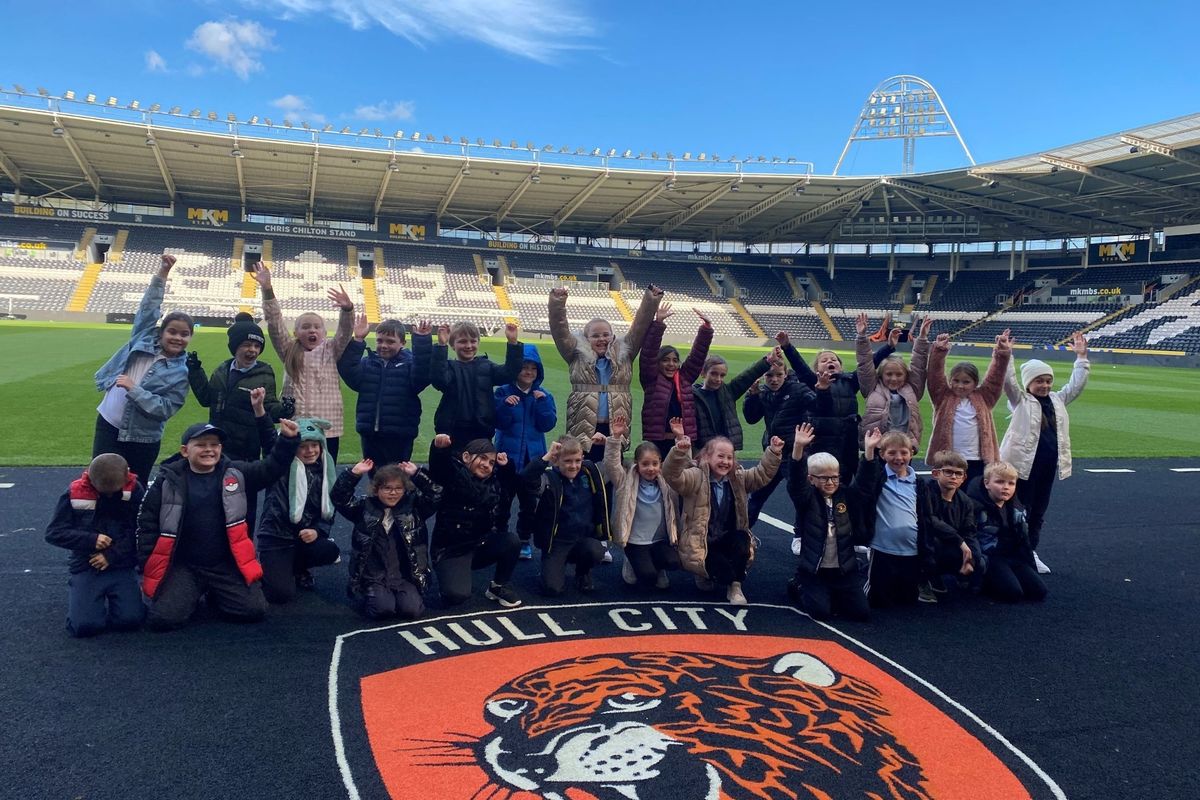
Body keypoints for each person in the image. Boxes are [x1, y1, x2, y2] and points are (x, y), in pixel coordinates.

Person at [137, 417, 300, 631]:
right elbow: (147, 524)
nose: (209, 449)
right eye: (201, 445)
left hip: (224, 564)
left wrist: (287, 440)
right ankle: (191, 593)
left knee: (254, 610)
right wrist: (148, 564)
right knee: (163, 619)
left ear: (221, 449)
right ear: (185, 451)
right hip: (184, 566)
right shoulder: (167, 481)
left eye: (214, 445)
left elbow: (270, 469)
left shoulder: (235, 473)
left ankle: (215, 593)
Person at [91, 254, 191, 484]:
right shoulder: (142, 339)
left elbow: (165, 408)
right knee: (101, 483)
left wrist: (134, 390)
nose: (177, 338)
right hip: (108, 424)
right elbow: (148, 308)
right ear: (161, 332)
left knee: (134, 489)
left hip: (143, 438)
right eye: (172, 331)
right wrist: (163, 273)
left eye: (184, 334)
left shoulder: (182, 372)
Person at [998, 332, 1090, 574]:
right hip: (1021, 469)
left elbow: (1075, 387)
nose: (1045, 386)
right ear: (1028, 383)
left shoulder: (1057, 400)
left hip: (1047, 468)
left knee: (1038, 512)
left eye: (1048, 381)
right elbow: (1008, 382)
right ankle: (1010, 551)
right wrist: (1006, 355)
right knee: (1017, 511)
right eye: (1039, 381)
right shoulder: (1020, 401)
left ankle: (1030, 551)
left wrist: (1081, 358)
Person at [663, 421, 784, 605]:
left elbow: (761, 475)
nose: (725, 462)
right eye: (720, 456)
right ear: (707, 456)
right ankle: (706, 573)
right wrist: (679, 451)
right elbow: (672, 475)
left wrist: (773, 453)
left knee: (742, 539)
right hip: (702, 543)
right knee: (722, 573)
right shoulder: (696, 476)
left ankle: (735, 586)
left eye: (729, 457)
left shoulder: (737, 477)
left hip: (726, 538)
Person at [548, 283, 663, 461]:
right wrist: (557, 302)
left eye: (605, 334)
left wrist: (651, 299)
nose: (601, 339)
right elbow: (560, 331)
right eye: (595, 336)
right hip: (583, 425)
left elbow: (639, 327)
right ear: (586, 339)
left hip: (615, 425)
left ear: (612, 336)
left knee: (614, 469)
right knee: (583, 466)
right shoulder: (575, 354)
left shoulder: (625, 353)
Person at [253, 262, 354, 460]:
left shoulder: (331, 349)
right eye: (306, 327)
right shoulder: (289, 349)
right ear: (295, 332)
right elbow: (275, 323)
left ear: (324, 333)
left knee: (326, 470)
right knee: (293, 469)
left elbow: (345, 331)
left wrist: (348, 309)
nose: (312, 330)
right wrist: (267, 290)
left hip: (327, 425)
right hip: (295, 424)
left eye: (317, 327)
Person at [785, 423, 882, 622]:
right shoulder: (806, 499)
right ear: (811, 479)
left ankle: (832, 593)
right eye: (824, 478)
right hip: (815, 571)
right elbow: (795, 481)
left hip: (843, 571)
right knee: (821, 613)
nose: (830, 482)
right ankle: (799, 585)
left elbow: (864, 484)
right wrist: (798, 448)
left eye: (834, 477)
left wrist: (869, 451)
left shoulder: (846, 496)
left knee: (861, 613)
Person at [772, 327, 895, 483]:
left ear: (840, 366)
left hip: (848, 440)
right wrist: (787, 346)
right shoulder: (813, 382)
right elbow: (799, 365)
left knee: (846, 477)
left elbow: (868, 365)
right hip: (822, 441)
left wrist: (889, 347)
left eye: (834, 360)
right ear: (816, 369)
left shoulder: (850, 381)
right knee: (824, 474)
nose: (830, 361)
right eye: (824, 361)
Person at [44, 454, 146, 637]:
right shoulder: (74, 493)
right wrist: (91, 540)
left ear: (127, 476)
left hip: (121, 562)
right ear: (89, 478)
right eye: (103, 491)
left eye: (114, 491)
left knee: (131, 620)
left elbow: (140, 530)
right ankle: (86, 602)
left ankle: (122, 599)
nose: (109, 495)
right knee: (85, 626)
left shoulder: (135, 490)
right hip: (87, 563)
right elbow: (54, 533)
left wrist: (112, 555)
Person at [333, 458, 439, 620]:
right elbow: (339, 497)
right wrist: (353, 474)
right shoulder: (364, 508)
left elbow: (436, 494)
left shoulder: (414, 509)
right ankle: (370, 594)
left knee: (412, 610)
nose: (393, 493)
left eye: (398, 488)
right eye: (387, 488)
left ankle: (399, 595)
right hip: (374, 576)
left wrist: (417, 474)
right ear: (376, 490)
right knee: (383, 609)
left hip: (404, 576)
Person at [426, 434, 523, 608]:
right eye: (482, 458)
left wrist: (507, 467)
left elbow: (512, 485)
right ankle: (449, 579)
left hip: (478, 545)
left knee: (511, 541)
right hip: (451, 550)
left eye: (491, 462)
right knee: (457, 595)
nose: (486, 465)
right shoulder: (453, 476)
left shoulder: (492, 482)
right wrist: (439, 449)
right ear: (466, 457)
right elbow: (440, 467)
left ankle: (497, 587)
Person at [255, 418, 343, 604]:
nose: (310, 451)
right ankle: (270, 566)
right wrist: (260, 412)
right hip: (277, 537)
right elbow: (270, 443)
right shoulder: (279, 468)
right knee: (280, 594)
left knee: (329, 550)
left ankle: (296, 568)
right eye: (303, 446)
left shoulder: (326, 472)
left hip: (302, 537)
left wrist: (318, 530)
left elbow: (331, 507)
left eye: (314, 445)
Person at [338, 316, 433, 470]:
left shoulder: (409, 364)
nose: (384, 345)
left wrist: (422, 341)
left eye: (390, 341)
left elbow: (422, 376)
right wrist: (358, 340)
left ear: (403, 343)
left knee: (397, 477)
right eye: (380, 340)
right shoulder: (368, 363)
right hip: (370, 434)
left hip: (400, 435)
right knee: (374, 476)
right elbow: (348, 371)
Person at [597, 415, 681, 590]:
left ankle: (658, 567)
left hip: (659, 540)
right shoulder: (625, 480)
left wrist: (680, 438)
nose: (650, 468)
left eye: (655, 464)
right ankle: (631, 561)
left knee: (674, 562)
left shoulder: (667, 481)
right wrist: (615, 438)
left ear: (661, 463)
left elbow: (680, 464)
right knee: (646, 577)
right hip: (635, 541)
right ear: (637, 464)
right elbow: (612, 464)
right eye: (645, 464)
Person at [493, 344, 558, 560]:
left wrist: (542, 404)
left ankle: (523, 540)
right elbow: (499, 423)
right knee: (502, 501)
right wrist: (505, 406)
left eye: (533, 368)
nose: (528, 372)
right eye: (524, 367)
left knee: (529, 503)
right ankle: (500, 537)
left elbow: (547, 424)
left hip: (533, 459)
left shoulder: (544, 395)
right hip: (507, 458)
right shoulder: (503, 392)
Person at [524, 438, 610, 596]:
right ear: (557, 460)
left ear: (582, 458)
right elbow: (527, 479)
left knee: (596, 551)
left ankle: (582, 572)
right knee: (552, 589)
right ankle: (552, 564)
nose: (573, 465)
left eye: (577, 460)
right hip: (558, 542)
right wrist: (547, 457)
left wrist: (611, 443)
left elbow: (611, 468)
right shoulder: (548, 478)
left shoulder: (588, 474)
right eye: (568, 461)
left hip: (582, 538)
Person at [926, 330, 1013, 482]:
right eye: (956, 381)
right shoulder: (943, 397)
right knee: (947, 493)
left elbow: (996, 377)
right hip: (949, 459)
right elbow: (935, 375)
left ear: (975, 383)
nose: (960, 386)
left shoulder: (984, 397)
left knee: (974, 493)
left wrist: (1002, 352)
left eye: (966, 382)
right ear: (950, 381)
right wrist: (939, 351)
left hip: (977, 460)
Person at [430, 321, 524, 455]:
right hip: (452, 431)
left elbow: (510, 373)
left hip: (481, 430)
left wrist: (513, 343)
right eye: (462, 342)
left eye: (473, 341)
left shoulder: (486, 366)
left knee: (480, 465)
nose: (469, 346)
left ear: (478, 343)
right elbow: (439, 381)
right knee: (450, 465)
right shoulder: (449, 367)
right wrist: (441, 346)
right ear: (452, 345)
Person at [743, 360, 815, 526]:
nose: (774, 379)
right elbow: (751, 417)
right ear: (763, 376)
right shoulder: (763, 392)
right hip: (774, 453)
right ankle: (740, 532)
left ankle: (801, 534)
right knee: (757, 495)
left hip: (794, 455)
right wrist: (752, 396)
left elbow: (819, 406)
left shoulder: (798, 389)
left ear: (786, 374)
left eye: (779, 375)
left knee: (801, 496)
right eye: (769, 375)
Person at [965, 461, 1046, 602]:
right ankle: (983, 583)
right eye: (1000, 482)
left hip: (1011, 556)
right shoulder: (975, 508)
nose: (1006, 487)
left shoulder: (1015, 508)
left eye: (1011, 483)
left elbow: (1023, 540)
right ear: (986, 483)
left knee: (1039, 591)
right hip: (990, 558)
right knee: (1012, 593)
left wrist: (1029, 563)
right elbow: (970, 539)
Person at [641, 305, 713, 457]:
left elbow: (697, 356)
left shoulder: (684, 379)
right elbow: (649, 353)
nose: (671, 364)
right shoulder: (651, 379)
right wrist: (658, 323)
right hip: (658, 440)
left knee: (683, 472)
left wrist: (706, 329)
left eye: (675, 360)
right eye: (665, 360)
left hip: (683, 439)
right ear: (658, 362)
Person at [865, 429, 925, 609]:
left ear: (912, 453)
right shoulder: (878, 478)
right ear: (882, 455)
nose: (898, 458)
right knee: (877, 601)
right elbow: (864, 478)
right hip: (882, 547)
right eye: (892, 453)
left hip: (911, 550)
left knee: (907, 601)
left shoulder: (919, 483)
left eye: (904, 453)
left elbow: (926, 515)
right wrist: (869, 450)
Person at [859, 317, 931, 454]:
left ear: (906, 375)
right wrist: (862, 337)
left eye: (899, 374)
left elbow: (919, 365)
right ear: (881, 375)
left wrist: (922, 338)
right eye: (889, 374)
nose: (893, 378)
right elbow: (864, 364)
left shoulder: (912, 389)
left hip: (904, 447)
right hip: (878, 446)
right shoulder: (872, 387)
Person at [916, 450, 980, 604]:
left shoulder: (965, 501)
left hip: (950, 543)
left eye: (958, 473)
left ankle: (950, 575)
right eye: (948, 472)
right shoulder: (926, 491)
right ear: (935, 473)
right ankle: (922, 580)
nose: (953, 477)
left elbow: (969, 531)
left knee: (978, 558)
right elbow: (930, 520)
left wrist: (972, 559)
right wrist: (960, 541)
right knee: (933, 543)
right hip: (926, 541)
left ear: (964, 478)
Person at [691, 348, 780, 452]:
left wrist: (768, 361)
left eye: (722, 375)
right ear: (703, 373)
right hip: (703, 451)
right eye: (713, 374)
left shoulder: (728, 393)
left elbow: (747, 376)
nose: (718, 379)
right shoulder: (693, 397)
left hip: (725, 450)